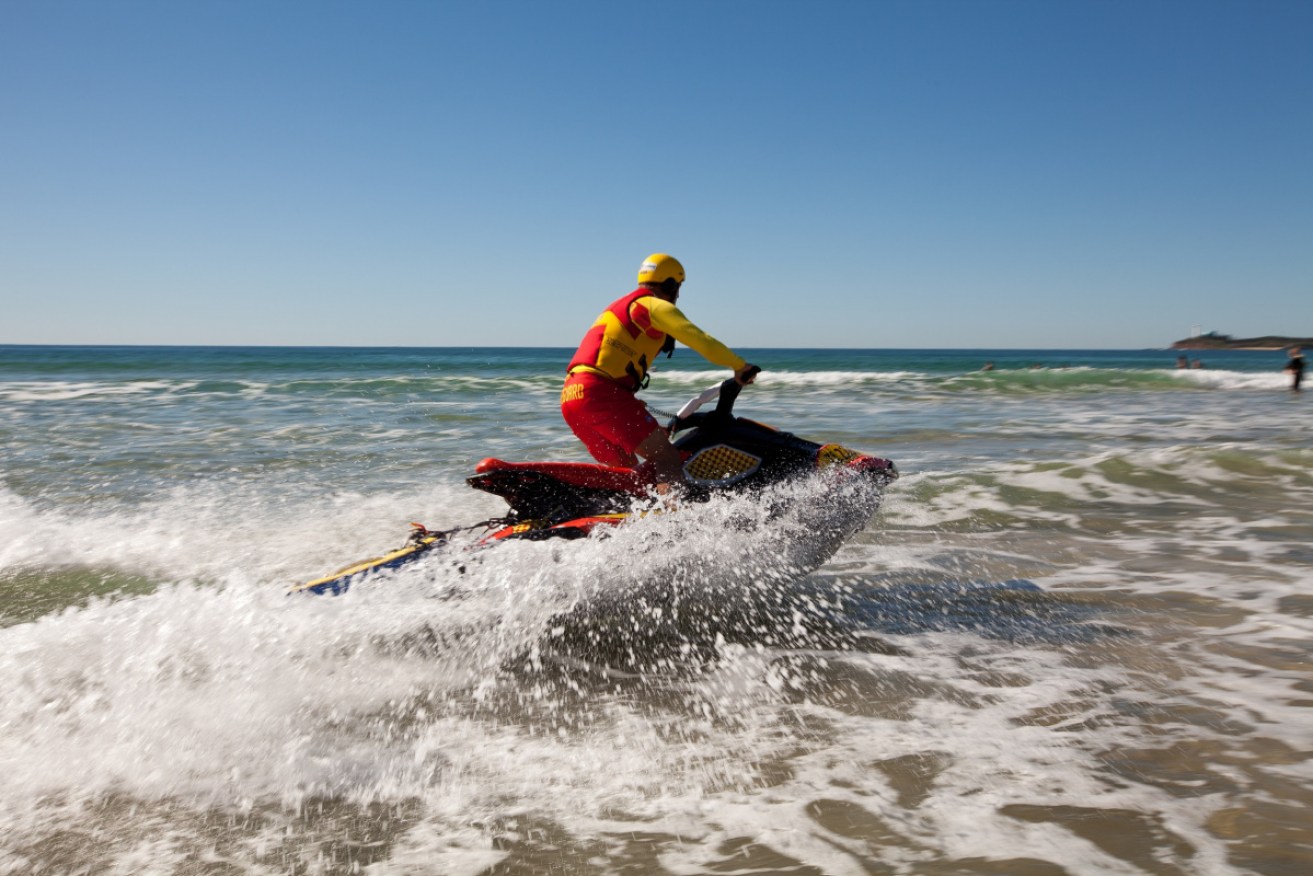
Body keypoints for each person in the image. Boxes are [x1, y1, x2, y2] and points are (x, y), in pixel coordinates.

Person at [562, 253, 757, 489]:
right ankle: (673, 522)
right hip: (601, 393)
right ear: (670, 284)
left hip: (572, 396)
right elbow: (701, 340)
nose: (678, 295)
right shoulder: (653, 305)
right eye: (678, 287)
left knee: (628, 473)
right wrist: (740, 367)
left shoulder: (619, 306)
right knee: (665, 457)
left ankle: (624, 520)